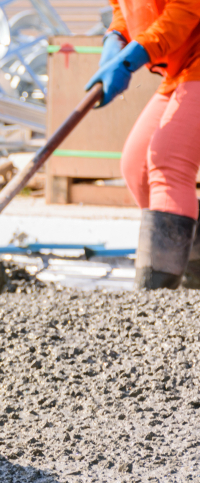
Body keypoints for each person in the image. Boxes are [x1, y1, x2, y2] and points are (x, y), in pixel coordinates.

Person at [85, 0, 200, 289]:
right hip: (182, 68)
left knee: (169, 161)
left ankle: (157, 291)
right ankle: (194, 269)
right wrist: (116, 38)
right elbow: (124, 9)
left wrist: (131, 58)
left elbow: (184, 12)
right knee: (137, 165)